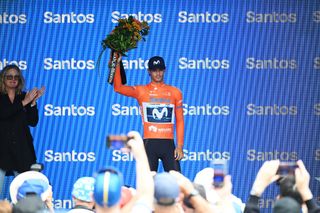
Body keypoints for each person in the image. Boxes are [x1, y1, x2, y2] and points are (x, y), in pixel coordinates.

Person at [113, 54, 184, 172]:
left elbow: (180, 120)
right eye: (154, 70)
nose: (158, 73)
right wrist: (116, 62)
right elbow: (118, 88)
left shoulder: (175, 92)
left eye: (160, 70)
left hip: (169, 144)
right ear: (148, 71)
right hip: (149, 144)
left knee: (177, 183)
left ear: (164, 70)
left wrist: (180, 146)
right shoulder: (141, 91)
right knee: (147, 183)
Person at [0, 64, 45, 197]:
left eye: (16, 77)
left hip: (21, 150)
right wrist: (25, 103)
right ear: (3, 79)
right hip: (1, 150)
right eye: (9, 76)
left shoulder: (25, 97)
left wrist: (33, 103)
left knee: (25, 195)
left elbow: (33, 121)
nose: (13, 79)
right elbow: (3, 114)